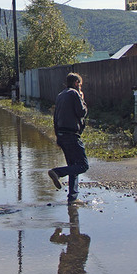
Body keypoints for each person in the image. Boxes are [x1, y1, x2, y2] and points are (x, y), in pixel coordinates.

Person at [48, 72, 88, 204]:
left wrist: (57, 137)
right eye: (80, 85)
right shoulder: (74, 93)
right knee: (82, 166)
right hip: (71, 135)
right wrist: (82, 99)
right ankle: (57, 172)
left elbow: (55, 117)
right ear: (76, 83)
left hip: (62, 135)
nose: (80, 87)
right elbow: (82, 112)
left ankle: (72, 198)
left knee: (73, 166)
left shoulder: (60, 95)